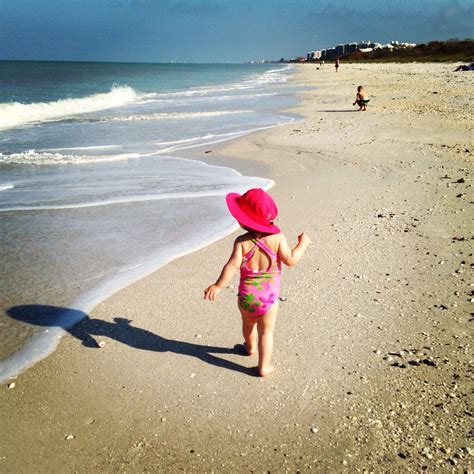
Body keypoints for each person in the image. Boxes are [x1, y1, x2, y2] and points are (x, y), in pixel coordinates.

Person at [204, 188, 311, 377]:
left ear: (243, 220)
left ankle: (249, 347)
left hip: (246, 298)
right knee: (266, 332)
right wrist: (303, 244)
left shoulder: (241, 242)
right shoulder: (278, 239)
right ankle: (264, 367)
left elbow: (231, 266)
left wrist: (218, 286)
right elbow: (291, 260)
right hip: (268, 301)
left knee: (247, 324)